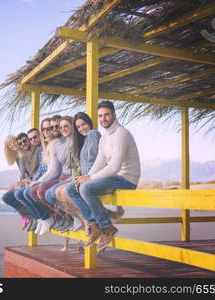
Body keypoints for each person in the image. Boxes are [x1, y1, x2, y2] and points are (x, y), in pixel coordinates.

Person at [66, 101, 141, 253]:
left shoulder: (121, 133)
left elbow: (114, 167)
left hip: (127, 179)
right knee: (72, 189)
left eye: (106, 114)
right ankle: (93, 225)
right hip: (114, 178)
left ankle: (107, 228)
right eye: (100, 116)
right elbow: (100, 162)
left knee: (86, 188)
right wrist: (85, 177)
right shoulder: (105, 138)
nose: (103, 118)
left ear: (114, 114)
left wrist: (89, 179)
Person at [27, 115, 73, 236]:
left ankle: (67, 216)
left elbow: (55, 170)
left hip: (69, 177)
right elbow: (53, 169)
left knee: (41, 190)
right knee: (31, 191)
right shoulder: (54, 145)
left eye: (56, 126)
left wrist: (40, 182)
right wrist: (38, 181)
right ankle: (44, 217)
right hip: (62, 177)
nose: (54, 129)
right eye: (50, 127)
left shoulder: (71, 140)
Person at [1, 132, 41, 229]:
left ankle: (34, 216)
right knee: (6, 196)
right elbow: (24, 174)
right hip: (28, 180)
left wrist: (20, 183)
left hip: (35, 180)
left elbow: (29, 173)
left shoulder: (25, 153)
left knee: (17, 194)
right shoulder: (18, 156)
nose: (13, 145)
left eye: (13, 142)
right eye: (9, 145)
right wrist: (19, 183)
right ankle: (28, 216)